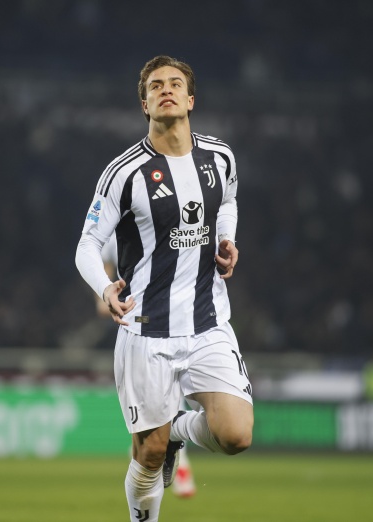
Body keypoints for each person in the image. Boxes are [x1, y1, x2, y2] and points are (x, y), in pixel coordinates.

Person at [76, 55, 252, 521]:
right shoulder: (124, 173)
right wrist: (105, 289)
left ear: (191, 99)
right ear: (145, 104)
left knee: (236, 435)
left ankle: (176, 429)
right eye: (156, 86)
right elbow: (87, 245)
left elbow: (228, 200)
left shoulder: (220, 157)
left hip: (208, 321)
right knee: (149, 453)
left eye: (175, 84)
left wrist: (227, 239)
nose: (166, 90)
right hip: (146, 329)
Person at [96, 236, 197, 499]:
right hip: (137, 326)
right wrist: (108, 297)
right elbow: (104, 280)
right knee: (151, 409)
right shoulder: (112, 235)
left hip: (175, 322)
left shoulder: (159, 225)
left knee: (172, 398)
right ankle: (170, 460)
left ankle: (178, 463)